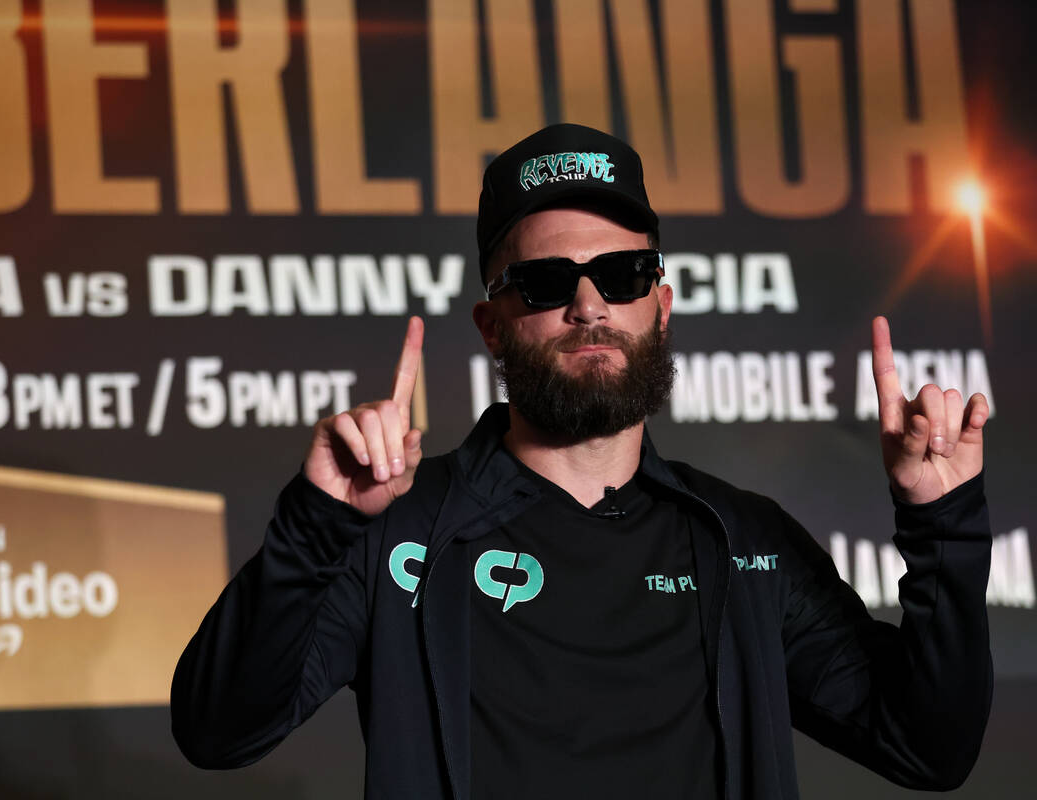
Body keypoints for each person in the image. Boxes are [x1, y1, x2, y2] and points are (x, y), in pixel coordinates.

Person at [171, 124, 992, 799]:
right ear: (492, 325)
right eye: (545, 281)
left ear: (660, 308)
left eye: (624, 274)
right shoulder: (396, 539)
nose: (589, 304)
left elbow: (927, 751)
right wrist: (315, 525)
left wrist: (943, 524)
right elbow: (217, 731)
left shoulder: (746, 542)